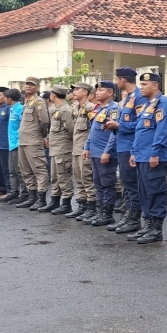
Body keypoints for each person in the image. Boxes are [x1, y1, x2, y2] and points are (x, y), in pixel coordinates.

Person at [127, 72, 167, 243]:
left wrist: (155, 152)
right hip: (141, 155)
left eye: (145, 85)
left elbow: (161, 130)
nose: (141, 88)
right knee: (144, 192)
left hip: (153, 156)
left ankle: (156, 229)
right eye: (141, 84)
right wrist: (134, 151)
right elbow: (140, 130)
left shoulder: (163, 103)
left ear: (155, 85)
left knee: (155, 192)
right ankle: (147, 225)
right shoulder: (147, 105)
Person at [106, 67, 145, 234]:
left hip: (131, 146)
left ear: (123, 80)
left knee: (132, 184)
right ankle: (128, 216)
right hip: (123, 145)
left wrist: (119, 125)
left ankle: (135, 219)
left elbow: (142, 124)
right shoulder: (129, 98)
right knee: (126, 184)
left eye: (117, 79)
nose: (116, 83)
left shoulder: (139, 98)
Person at [82, 81, 120, 227]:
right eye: (97, 90)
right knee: (98, 183)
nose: (97, 93)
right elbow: (93, 131)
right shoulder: (99, 109)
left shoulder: (114, 109)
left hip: (106, 153)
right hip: (95, 152)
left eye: (101, 90)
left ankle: (107, 214)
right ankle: (100, 211)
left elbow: (114, 133)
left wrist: (107, 151)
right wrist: (87, 147)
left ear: (110, 93)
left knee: (107, 184)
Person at [14, 77, 51, 209]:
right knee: (26, 170)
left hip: (33, 140)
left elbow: (45, 121)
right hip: (23, 140)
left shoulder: (38, 101)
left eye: (31, 85)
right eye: (27, 84)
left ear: (37, 87)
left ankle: (41, 199)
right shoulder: (26, 101)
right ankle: (32, 196)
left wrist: (41, 135)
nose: (28, 86)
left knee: (39, 169)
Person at [39, 85, 74, 213]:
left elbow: (71, 130)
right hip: (56, 148)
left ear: (53, 95)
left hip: (63, 148)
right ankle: (55, 200)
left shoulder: (65, 110)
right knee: (55, 177)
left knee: (64, 176)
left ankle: (66, 203)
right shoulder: (58, 109)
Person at [67, 82, 97, 220]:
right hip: (76, 148)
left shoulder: (91, 108)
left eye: (77, 89)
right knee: (78, 179)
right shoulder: (76, 107)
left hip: (85, 149)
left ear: (85, 92)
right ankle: (82, 205)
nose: (74, 91)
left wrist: (88, 148)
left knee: (87, 179)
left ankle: (92, 207)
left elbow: (93, 130)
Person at [2, 89, 27, 203]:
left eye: (5, 97)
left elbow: (25, 126)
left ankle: (24, 193)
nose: (4, 99)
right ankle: (14, 192)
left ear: (9, 99)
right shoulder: (12, 109)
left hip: (18, 144)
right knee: (11, 170)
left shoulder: (20, 109)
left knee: (19, 170)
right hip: (11, 144)